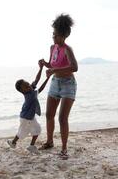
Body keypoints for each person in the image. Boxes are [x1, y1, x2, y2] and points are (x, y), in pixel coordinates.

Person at [39, 13, 78, 159]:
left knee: (62, 118)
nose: (53, 37)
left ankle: (64, 149)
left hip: (68, 84)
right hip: (55, 83)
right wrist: (45, 64)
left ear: (63, 36)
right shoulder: (52, 47)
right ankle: (49, 142)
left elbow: (74, 67)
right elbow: (53, 64)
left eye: (56, 35)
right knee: (49, 115)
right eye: (53, 34)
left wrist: (55, 70)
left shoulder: (68, 49)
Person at [7, 62, 50, 153]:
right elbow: (41, 89)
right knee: (23, 131)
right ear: (22, 91)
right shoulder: (31, 95)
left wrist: (41, 68)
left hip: (29, 116)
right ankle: (15, 143)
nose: (29, 86)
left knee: (35, 129)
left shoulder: (30, 89)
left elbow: (37, 79)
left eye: (28, 84)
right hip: (26, 117)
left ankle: (27, 145)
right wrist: (48, 77)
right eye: (26, 87)